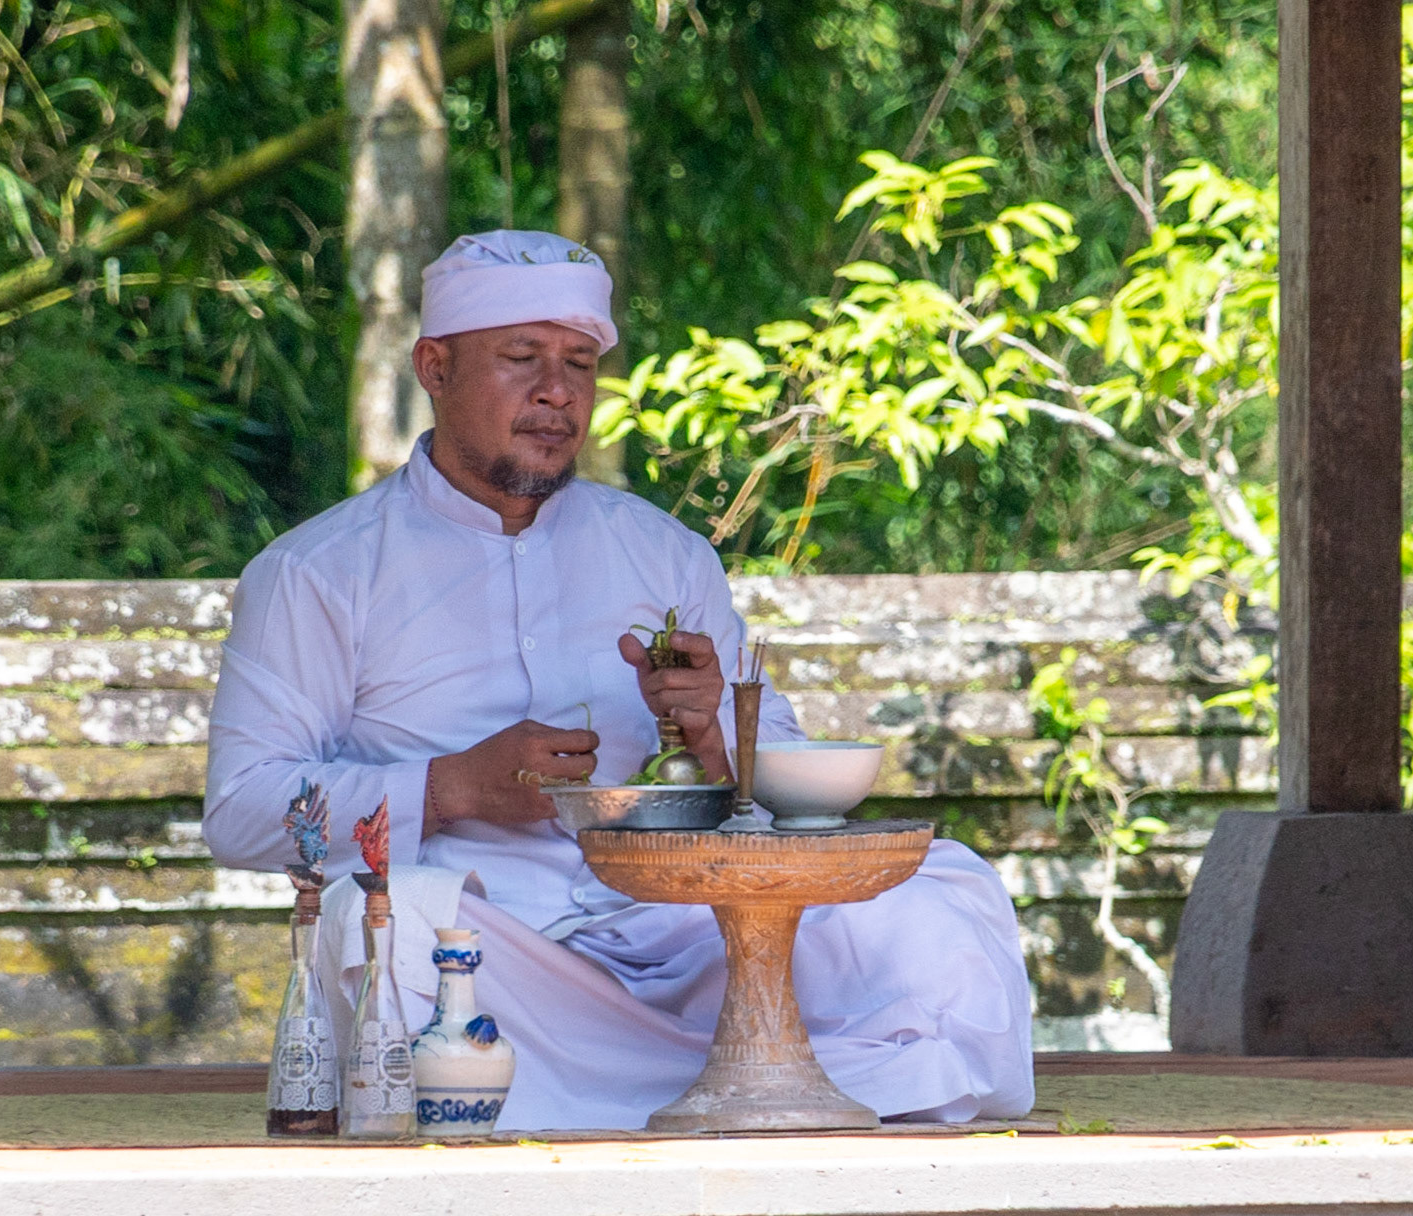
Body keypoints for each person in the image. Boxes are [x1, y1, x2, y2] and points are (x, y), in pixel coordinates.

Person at [204, 230, 1034, 1130]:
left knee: (933, 898)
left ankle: (708, 1084)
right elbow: (242, 809)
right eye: (520, 358)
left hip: (689, 935)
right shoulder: (317, 573)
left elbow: (790, 788)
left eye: (578, 364)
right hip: (491, 951)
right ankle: (782, 1083)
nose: (557, 392)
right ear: (434, 368)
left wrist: (715, 732)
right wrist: (448, 788)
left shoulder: (663, 554)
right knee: (378, 929)